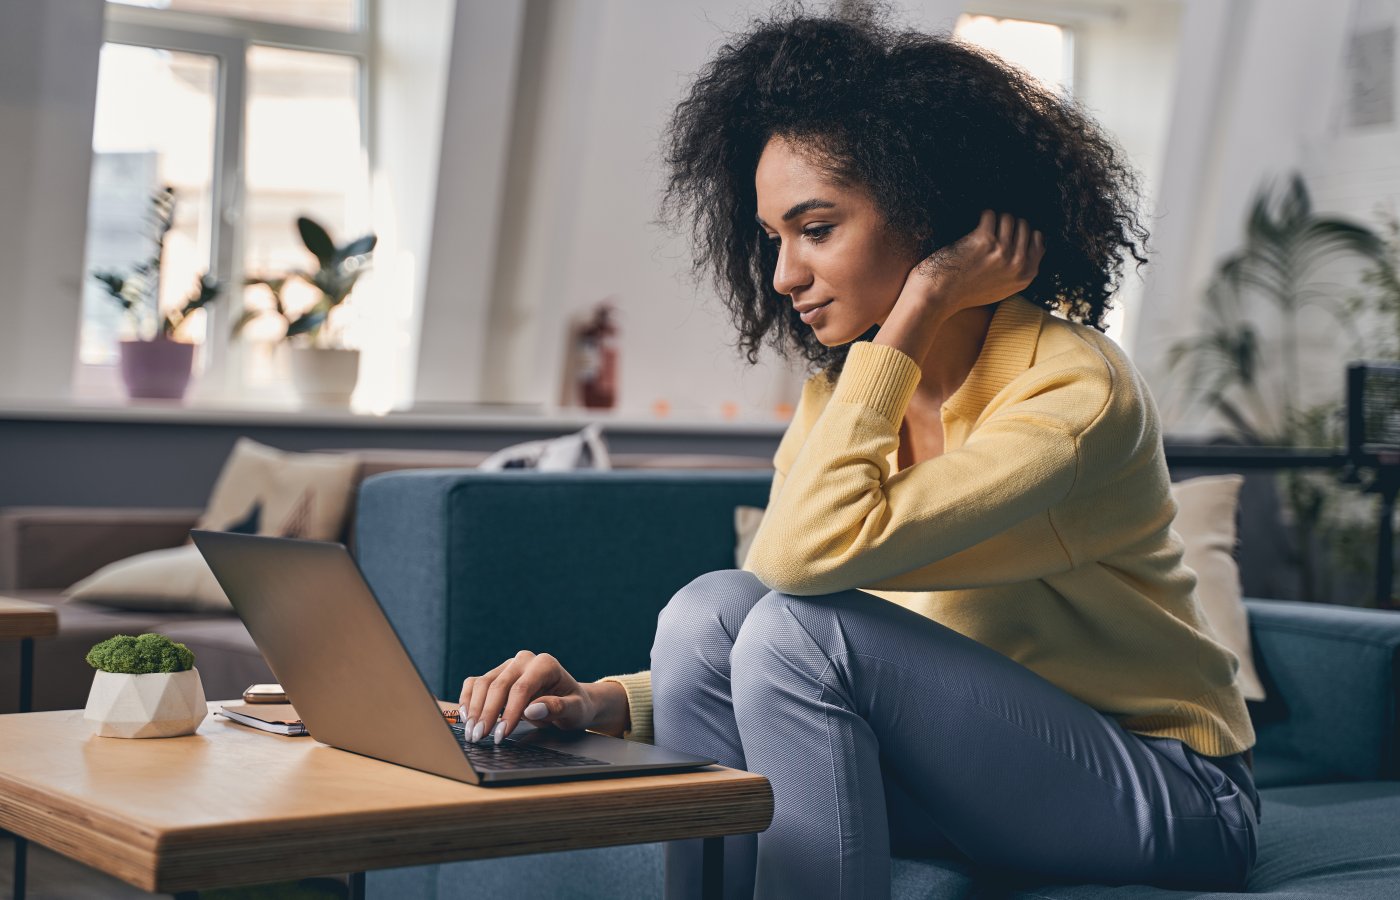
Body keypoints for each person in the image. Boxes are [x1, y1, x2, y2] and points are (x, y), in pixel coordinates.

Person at [457, 4, 1261, 898]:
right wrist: (608, 703)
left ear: (933, 216)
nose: (781, 275)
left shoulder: (1071, 396)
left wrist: (919, 306)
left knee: (802, 623)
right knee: (707, 610)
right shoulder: (847, 399)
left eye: (817, 228)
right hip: (981, 770)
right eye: (772, 238)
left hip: (1169, 791)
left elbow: (802, 567)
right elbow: (766, 602)